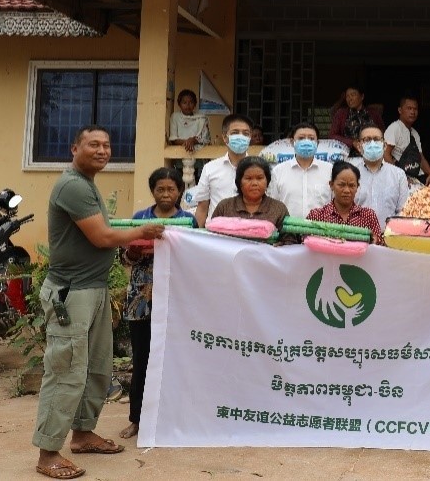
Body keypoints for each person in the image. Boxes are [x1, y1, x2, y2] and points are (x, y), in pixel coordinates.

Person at [32, 125, 165, 480]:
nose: (102, 150)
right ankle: (48, 452)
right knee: (66, 370)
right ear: (74, 147)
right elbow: (103, 236)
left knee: (96, 368)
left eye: (107, 145)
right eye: (93, 144)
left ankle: (83, 434)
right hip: (71, 293)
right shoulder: (73, 185)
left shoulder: (87, 183)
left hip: (92, 289)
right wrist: (143, 230)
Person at [119, 167, 193, 441]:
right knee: (141, 360)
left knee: (177, 359)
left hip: (177, 298)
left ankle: (175, 419)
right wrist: (133, 251)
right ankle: (136, 420)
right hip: (142, 299)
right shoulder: (140, 219)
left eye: (171, 189)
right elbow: (123, 260)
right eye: (160, 189)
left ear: (179, 191)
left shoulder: (188, 221)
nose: (165, 194)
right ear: (153, 191)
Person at [192, 114, 254, 227]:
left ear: (250, 138)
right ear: (225, 138)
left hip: (249, 235)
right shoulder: (210, 168)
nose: (241, 137)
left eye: (245, 134)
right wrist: (196, 236)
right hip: (216, 236)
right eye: (235, 132)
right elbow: (202, 208)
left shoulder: (259, 170)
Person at [307, 161, 384, 245]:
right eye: (341, 185)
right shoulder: (316, 217)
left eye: (351, 185)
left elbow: (379, 245)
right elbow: (304, 243)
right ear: (331, 185)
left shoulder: (368, 216)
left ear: (357, 187)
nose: (347, 190)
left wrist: (375, 240)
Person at [269, 122, 332, 219]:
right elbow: (273, 204)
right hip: (287, 231)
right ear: (291, 142)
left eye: (311, 138)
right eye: (301, 138)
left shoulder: (330, 170)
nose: (306, 142)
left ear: (317, 143)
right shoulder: (278, 171)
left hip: (320, 231)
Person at [353, 124, 410, 228]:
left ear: (384, 145)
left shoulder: (398, 175)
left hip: (389, 238)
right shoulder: (351, 174)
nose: (372, 143)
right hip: (358, 237)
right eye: (367, 140)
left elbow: (403, 211)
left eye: (376, 139)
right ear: (359, 146)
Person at [210, 156, 291, 228]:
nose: (255, 183)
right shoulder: (225, 207)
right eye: (248, 178)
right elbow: (212, 237)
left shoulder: (279, 209)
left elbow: (289, 240)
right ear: (239, 182)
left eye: (259, 178)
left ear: (267, 181)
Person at [384, 94, 430, 186]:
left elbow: (420, 158)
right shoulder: (394, 128)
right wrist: (399, 176)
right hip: (401, 178)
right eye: (409, 108)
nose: (412, 112)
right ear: (400, 110)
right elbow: (385, 154)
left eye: (415, 109)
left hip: (416, 176)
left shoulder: (415, 133)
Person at [328, 85, 384, 151]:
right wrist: (352, 142)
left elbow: (382, 132)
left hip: (370, 152)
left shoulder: (374, 113)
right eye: (347, 96)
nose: (350, 98)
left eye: (353, 95)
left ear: (362, 97)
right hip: (347, 153)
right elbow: (332, 135)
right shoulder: (341, 114)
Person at [168, 89, 208, 153]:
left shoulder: (201, 118)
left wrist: (193, 140)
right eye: (184, 102)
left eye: (191, 102)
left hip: (198, 154)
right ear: (179, 104)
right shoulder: (175, 117)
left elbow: (205, 139)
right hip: (179, 154)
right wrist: (188, 142)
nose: (188, 105)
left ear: (195, 104)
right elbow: (173, 139)